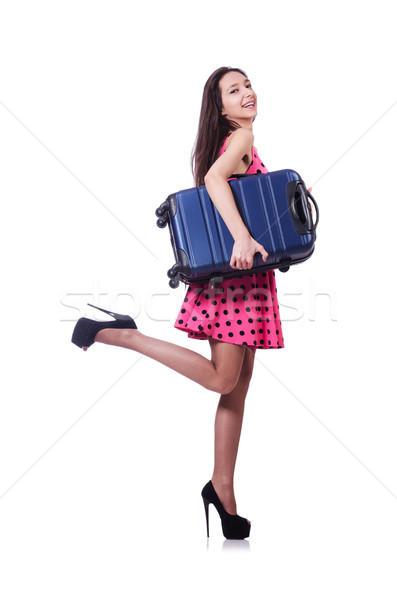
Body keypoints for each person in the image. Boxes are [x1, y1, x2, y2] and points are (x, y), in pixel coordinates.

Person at [72, 66, 285, 540]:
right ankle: (121, 333)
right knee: (224, 378)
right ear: (220, 107)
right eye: (235, 90)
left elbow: (237, 191)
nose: (247, 93)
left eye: (248, 84)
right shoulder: (240, 137)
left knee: (237, 387)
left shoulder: (239, 139)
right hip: (234, 277)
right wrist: (244, 237)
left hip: (244, 278)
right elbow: (214, 181)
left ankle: (222, 487)